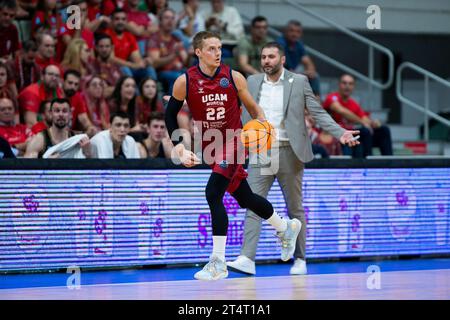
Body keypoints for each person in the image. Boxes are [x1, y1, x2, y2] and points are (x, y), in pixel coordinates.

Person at [165, 31, 308, 281]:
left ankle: (218, 262)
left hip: (235, 140)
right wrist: (179, 147)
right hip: (211, 146)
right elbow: (170, 114)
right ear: (198, 52)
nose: (218, 52)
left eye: (219, 48)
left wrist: (263, 128)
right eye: (211, 48)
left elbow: (254, 109)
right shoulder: (184, 81)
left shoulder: (233, 77)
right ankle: (286, 227)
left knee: (212, 193)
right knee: (246, 197)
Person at [227, 42, 359, 276]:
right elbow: (231, 108)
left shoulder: (299, 81)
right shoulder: (252, 81)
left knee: (294, 208)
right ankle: (247, 258)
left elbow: (317, 112)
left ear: (283, 59)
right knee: (253, 204)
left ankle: (300, 259)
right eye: (263, 57)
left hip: (290, 150)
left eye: (271, 57)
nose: (266, 60)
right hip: (261, 150)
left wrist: (341, 132)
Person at [323, 74, 393, 158]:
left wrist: (373, 123)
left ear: (353, 87)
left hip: (352, 134)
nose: (347, 86)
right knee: (364, 131)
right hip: (337, 135)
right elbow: (341, 111)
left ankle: (389, 162)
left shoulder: (354, 104)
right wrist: (363, 122)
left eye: (350, 84)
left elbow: (365, 119)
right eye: (344, 83)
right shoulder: (332, 97)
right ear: (339, 85)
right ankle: (369, 162)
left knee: (384, 130)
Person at [24, 98, 91, 158]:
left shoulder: (78, 139)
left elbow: (92, 168)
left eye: (64, 111)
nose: (61, 114)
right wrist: (46, 163)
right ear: (51, 114)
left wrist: (87, 154)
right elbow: (26, 168)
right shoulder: (39, 139)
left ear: (70, 114)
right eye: (57, 111)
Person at [104, 8, 157, 84]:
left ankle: (152, 93)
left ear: (126, 21)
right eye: (117, 19)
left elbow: (136, 59)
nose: (120, 22)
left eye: (123, 19)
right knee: (125, 69)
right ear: (111, 21)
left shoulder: (129, 36)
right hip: (111, 69)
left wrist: (145, 61)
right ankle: (135, 95)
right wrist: (132, 65)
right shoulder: (106, 35)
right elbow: (111, 59)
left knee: (149, 69)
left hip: (128, 67)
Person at [147, 8, 188, 94]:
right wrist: (173, 56)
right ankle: (172, 106)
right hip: (163, 73)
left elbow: (186, 62)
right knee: (178, 77)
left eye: (172, 18)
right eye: (166, 18)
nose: (170, 21)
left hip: (180, 71)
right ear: (160, 21)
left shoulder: (176, 38)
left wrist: (191, 54)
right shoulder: (154, 39)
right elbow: (154, 63)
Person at [276, 20, 320, 98]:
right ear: (285, 31)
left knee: (314, 76)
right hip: (278, 73)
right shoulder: (280, 43)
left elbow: (307, 61)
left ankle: (316, 102)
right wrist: (301, 74)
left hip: (293, 73)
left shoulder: (298, 44)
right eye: (291, 31)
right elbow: (281, 66)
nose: (294, 34)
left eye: (298, 32)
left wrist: (311, 71)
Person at [91, 33, 123, 98]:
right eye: (101, 46)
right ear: (96, 48)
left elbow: (124, 87)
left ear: (112, 47)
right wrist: (119, 89)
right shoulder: (92, 66)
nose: (104, 50)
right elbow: (101, 92)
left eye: (107, 46)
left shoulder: (116, 66)